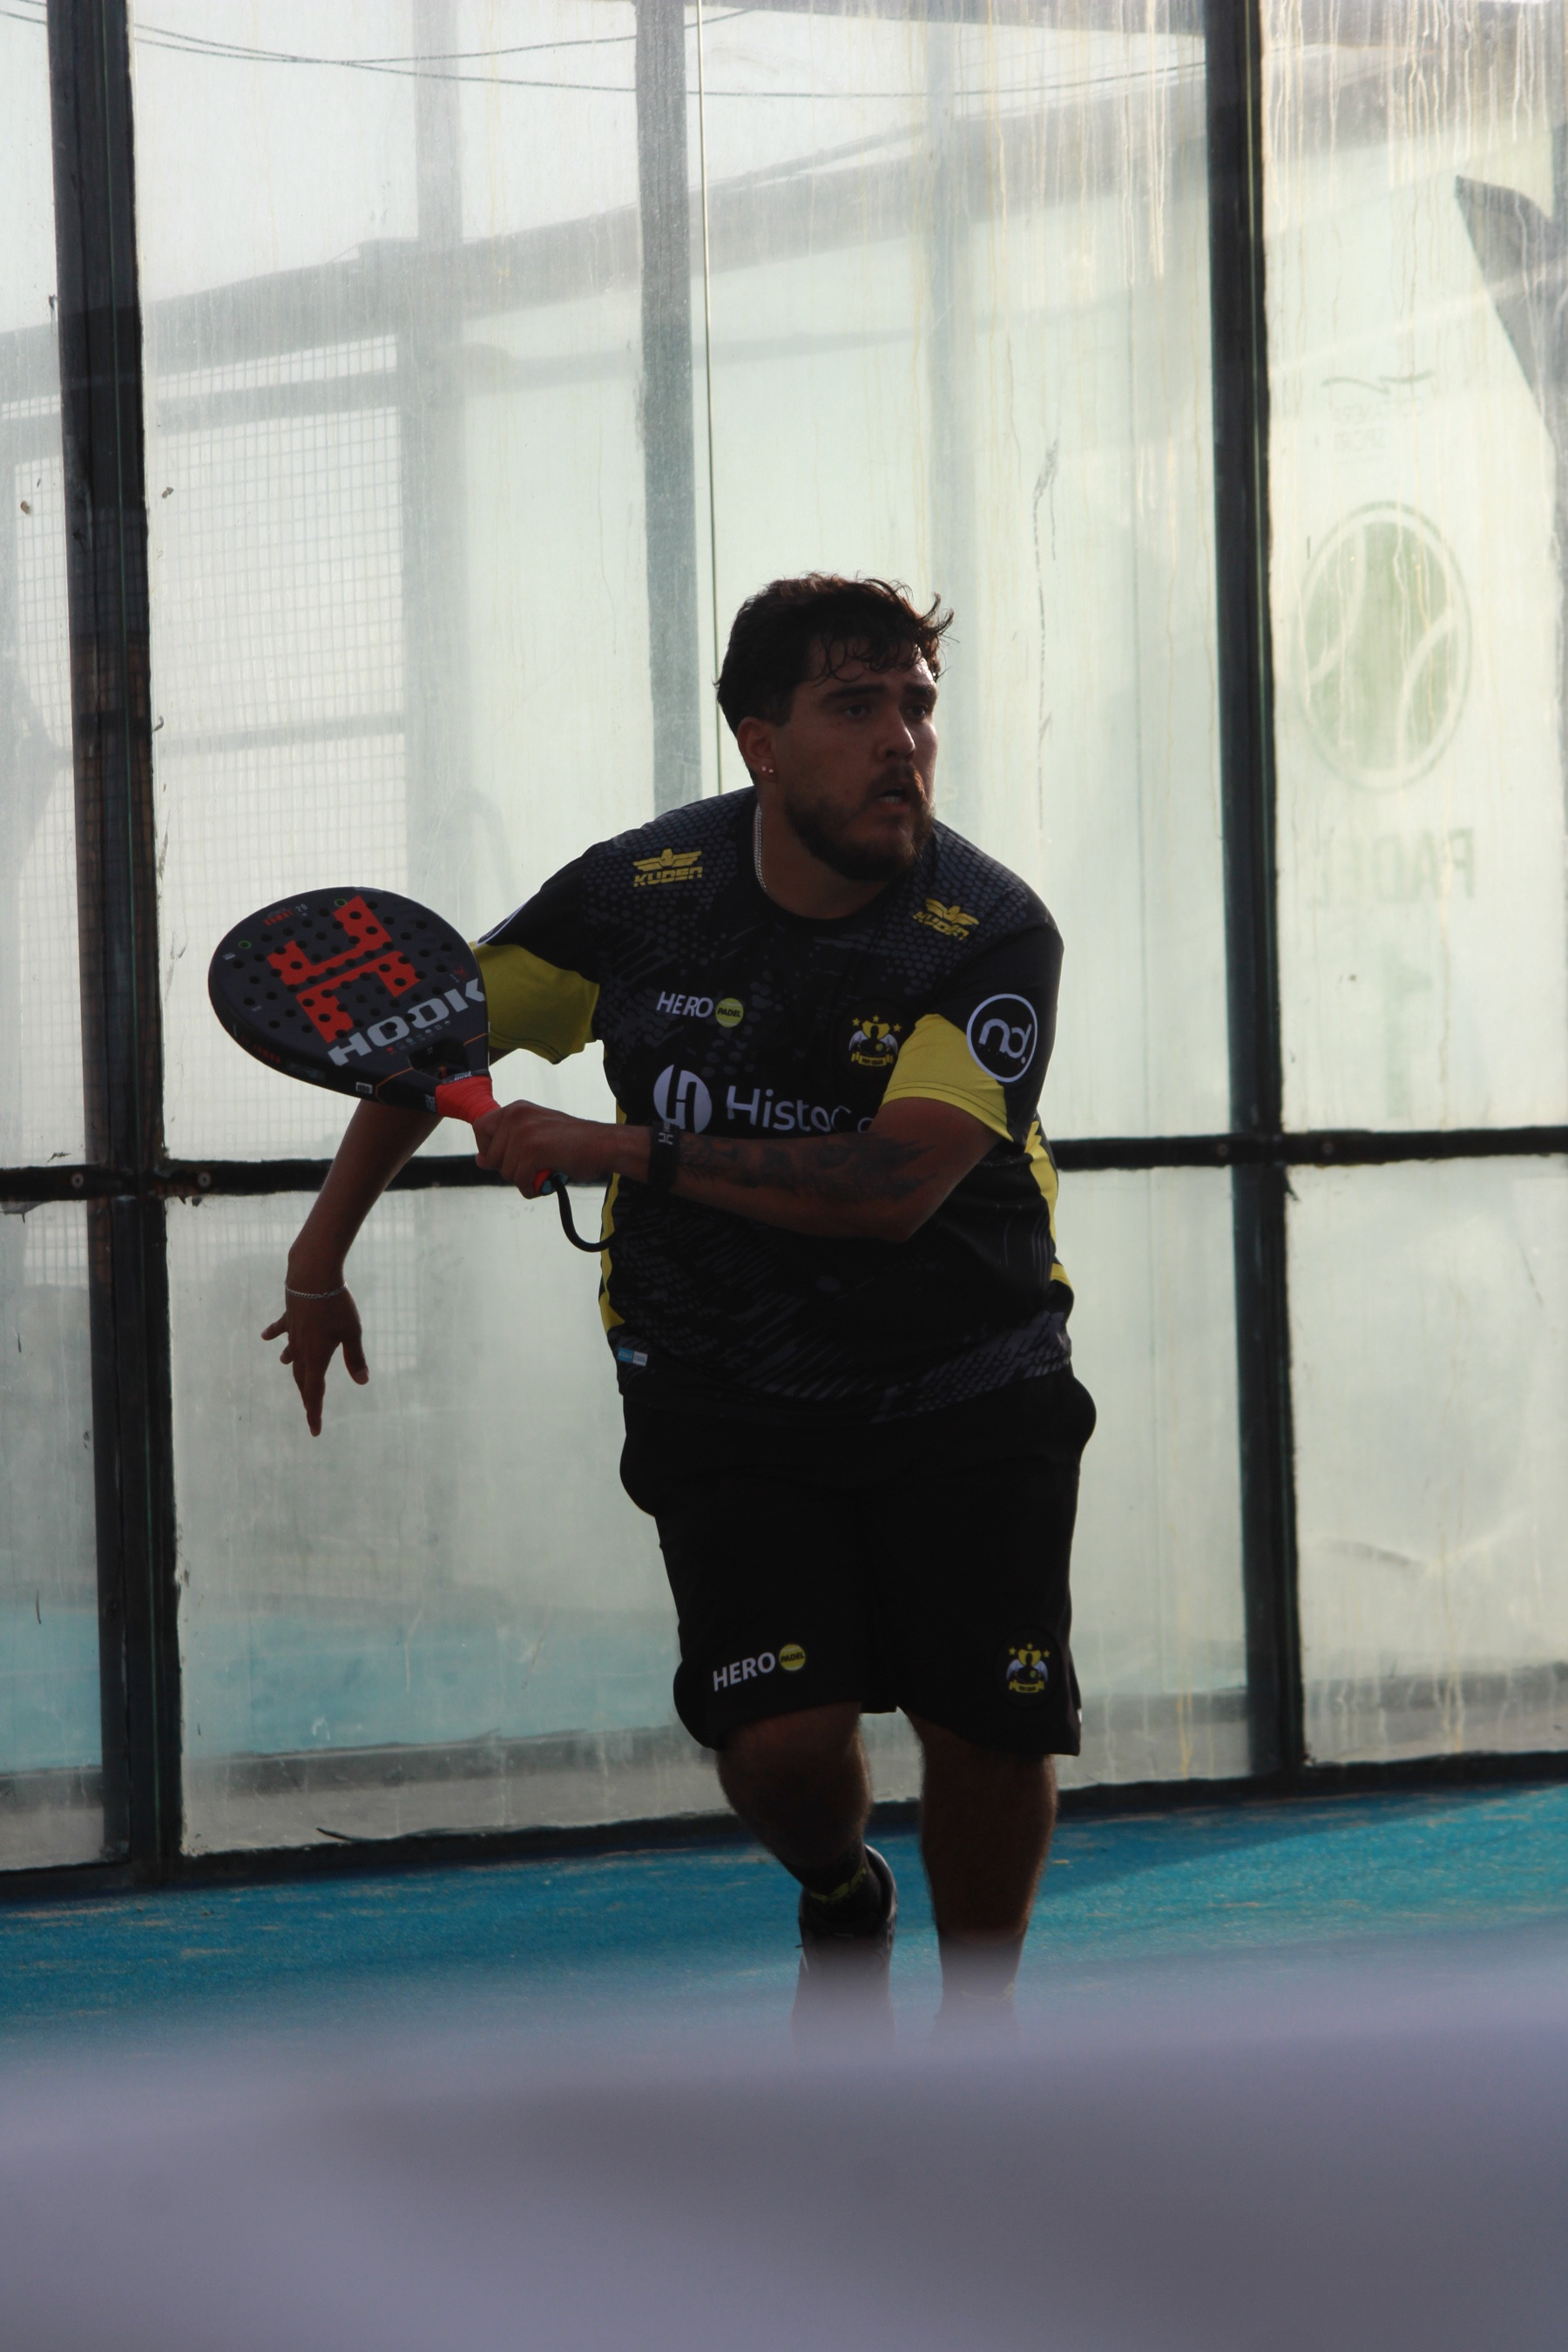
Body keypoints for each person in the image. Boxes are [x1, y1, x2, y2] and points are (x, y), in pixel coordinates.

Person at [267, 575, 1095, 2036]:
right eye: (856, 706)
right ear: (759, 740)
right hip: (720, 1384)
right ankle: (840, 1895)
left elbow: (891, 1186)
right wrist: (318, 1261)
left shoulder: (987, 931)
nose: (901, 740)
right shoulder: (636, 897)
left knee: (987, 1729)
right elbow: (425, 1035)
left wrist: (624, 1146)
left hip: (971, 1377)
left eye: (918, 707)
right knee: (781, 1748)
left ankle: (979, 2049)